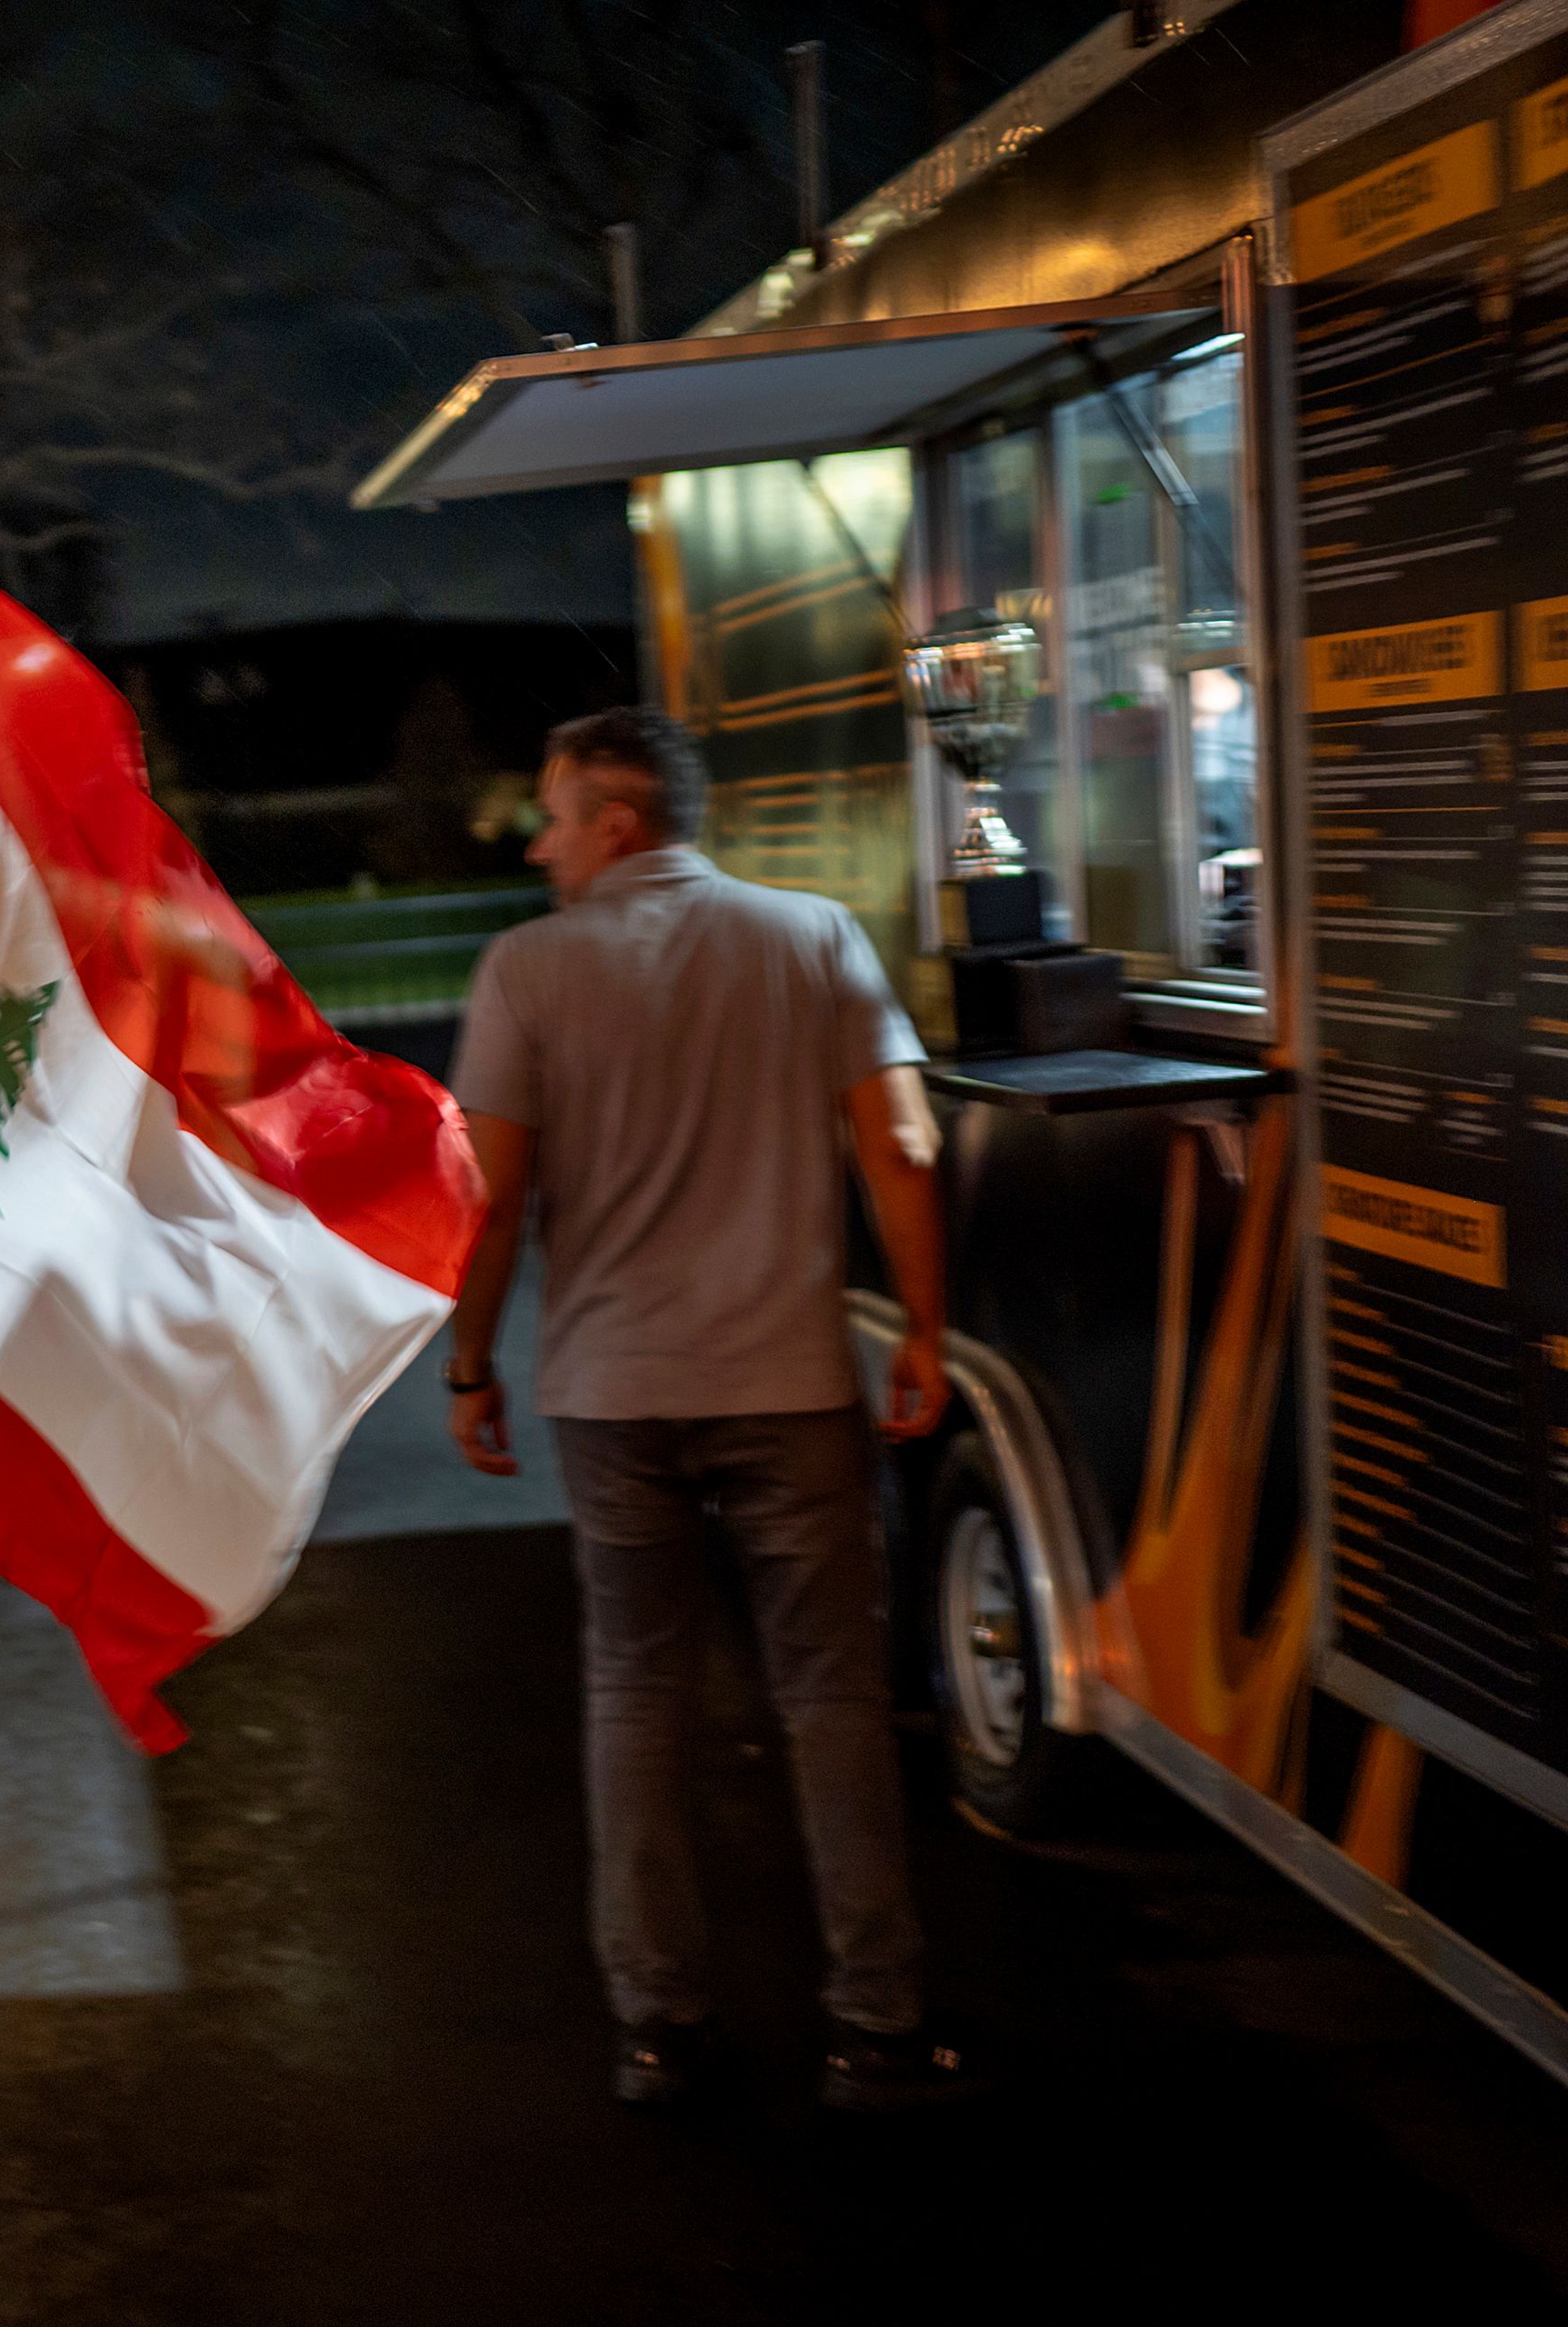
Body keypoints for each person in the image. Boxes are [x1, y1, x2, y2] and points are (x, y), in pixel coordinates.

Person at [440, 706, 972, 2113]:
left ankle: (661, 2029)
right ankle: (878, 2027)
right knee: (831, 1699)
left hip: (613, 1398)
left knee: (636, 1692)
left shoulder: (526, 972)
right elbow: (904, 1146)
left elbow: (488, 1199)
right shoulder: (815, 938)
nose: (541, 849)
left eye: (553, 820)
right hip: (793, 1384)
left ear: (617, 822)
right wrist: (923, 1329)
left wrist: (472, 1361)